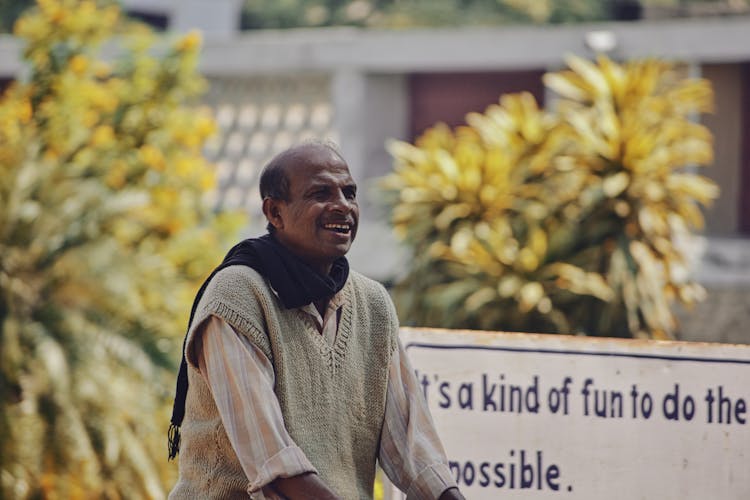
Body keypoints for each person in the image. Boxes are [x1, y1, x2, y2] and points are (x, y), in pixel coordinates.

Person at [167, 141, 464, 499]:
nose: (342, 205)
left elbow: (414, 451)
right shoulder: (236, 295)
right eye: (320, 193)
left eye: (349, 193)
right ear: (274, 213)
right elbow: (274, 466)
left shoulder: (373, 303)